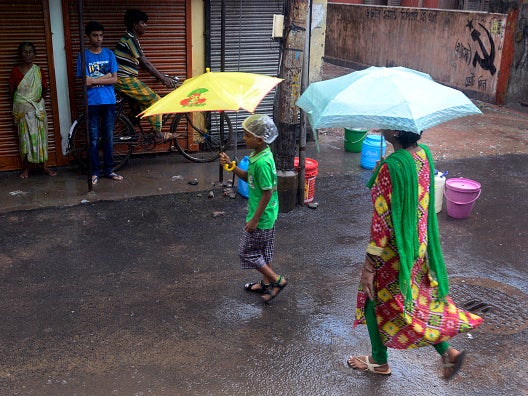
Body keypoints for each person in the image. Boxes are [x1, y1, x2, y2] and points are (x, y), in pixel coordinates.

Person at [347, 129, 483, 380]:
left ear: (396, 130)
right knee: (412, 301)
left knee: (371, 298)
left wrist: (368, 268)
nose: (381, 126)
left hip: (393, 252)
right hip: (416, 246)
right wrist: (385, 170)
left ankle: (379, 361)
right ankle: (447, 351)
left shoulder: (392, 167)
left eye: (387, 123)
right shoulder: (423, 155)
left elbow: (382, 224)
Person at [219, 114, 287, 304]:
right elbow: (249, 178)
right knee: (264, 252)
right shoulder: (258, 155)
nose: (244, 138)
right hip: (267, 214)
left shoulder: (263, 163)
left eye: (247, 135)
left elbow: (267, 192)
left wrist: (255, 219)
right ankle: (267, 284)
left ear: (260, 139)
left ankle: (277, 281)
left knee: (246, 252)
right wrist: (230, 167)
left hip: (262, 217)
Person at [114, 9, 177, 143]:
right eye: (143, 23)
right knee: (155, 101)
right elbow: (146, 63)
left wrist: (161, 75)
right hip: (124, 79)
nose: (145, 25)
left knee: (138, 111)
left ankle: (125, 133)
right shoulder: (129, 39)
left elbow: (142, 64)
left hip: (124, 79)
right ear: (135, 25)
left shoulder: (132, 39)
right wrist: (163, 79)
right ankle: (158, 134)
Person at [76, 21, 123, 185]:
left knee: (108, 137)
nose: (99, 39)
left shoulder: (109, 54)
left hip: (108, 101)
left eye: (101, 35)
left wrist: (94, 79)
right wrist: (105, 78)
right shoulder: (83, 56)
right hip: (92, 102)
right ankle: (95, 172)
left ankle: (109, 170)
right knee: (94, 139)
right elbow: (84, 82)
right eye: (95, 35)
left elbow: (115, 79)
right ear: (88, 36)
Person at [9, 42, 57, 179]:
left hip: (37, 110)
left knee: (41, 138)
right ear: (20, 54)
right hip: (22, 111)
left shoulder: (38, 71)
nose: (28, 55)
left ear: (35, 54)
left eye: (31, 52)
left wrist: (36, 103)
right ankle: (26, 169)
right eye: (25, 52)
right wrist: (24, 104)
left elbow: (44, 89)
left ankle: (44, 166)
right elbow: (13, 91)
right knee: (24, 138)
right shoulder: (15, 71)